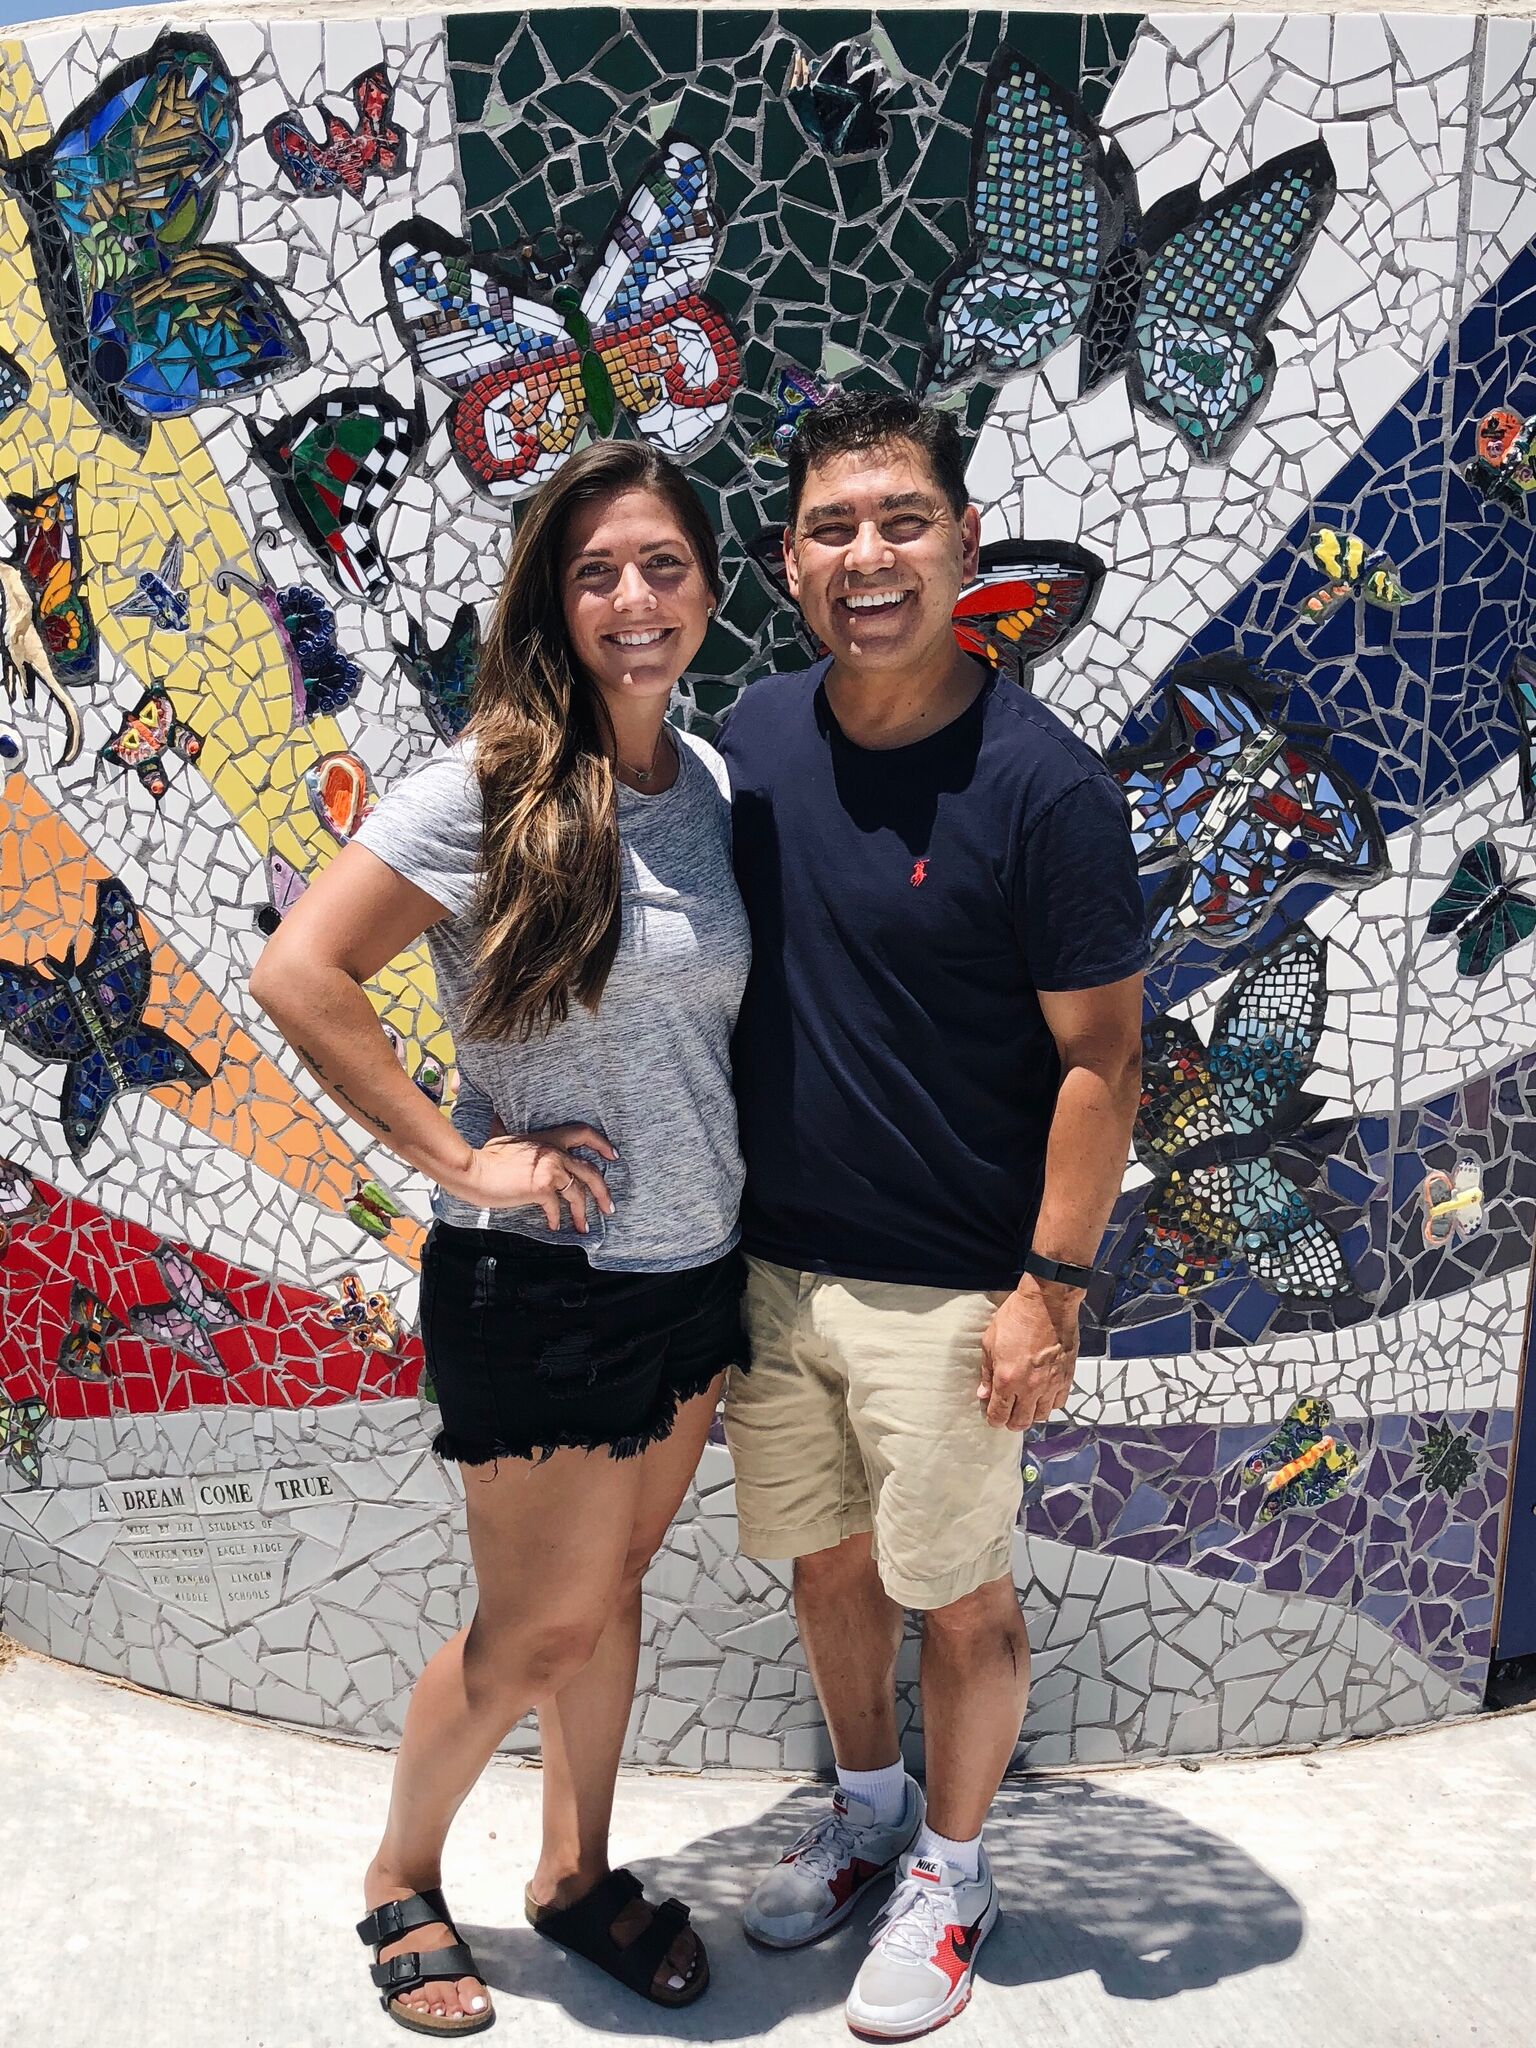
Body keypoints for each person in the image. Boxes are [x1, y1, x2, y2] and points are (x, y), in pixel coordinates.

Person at [251, 441, 751, 2035]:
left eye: (662, 565)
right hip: (543, 1282)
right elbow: (300, 974)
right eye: (595, 572)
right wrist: (463, 1156)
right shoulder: (486, 785)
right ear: (552, 599)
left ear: (708, 589)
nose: (633, 599)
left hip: (693, 1271)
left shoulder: (708, 782)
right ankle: (401, 1872)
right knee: (534, 1627)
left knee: (610, 1596)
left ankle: (573, 1874)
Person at [718, 390, 1147, 2040]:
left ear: (965, 543)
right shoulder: (753, 738)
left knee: (960, 1594)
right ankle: (869, 1812)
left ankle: (955, 1879)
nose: (869, 555)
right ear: (789, 562)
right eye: (833, 528)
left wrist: (1050, 1287)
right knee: (830, 1570)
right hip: (773, 1273)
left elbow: (1103, 1056)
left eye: (902, 521)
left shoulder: (1046, 787)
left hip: (956, 1293)